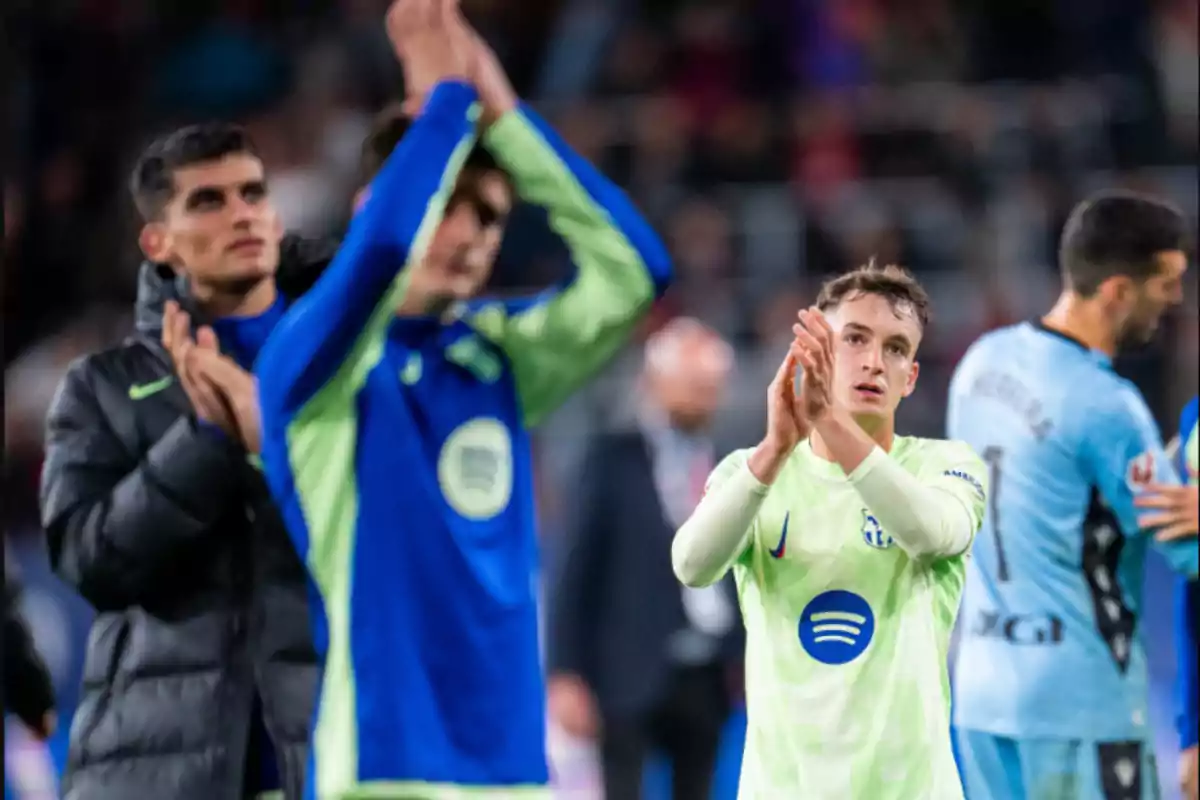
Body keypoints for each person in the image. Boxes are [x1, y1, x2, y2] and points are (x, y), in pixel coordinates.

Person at [251, 0, 671, 797]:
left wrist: (505, 115)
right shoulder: (309, 368)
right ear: (384, 200)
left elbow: (633, 272)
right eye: (454, 206)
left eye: (492, 217)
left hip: (512, 765)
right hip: (382, 764)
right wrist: (443, 105)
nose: (477, 235)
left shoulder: (498, 357)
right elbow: (375, 259)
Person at [38, 120, 332, 799]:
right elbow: (89, 560)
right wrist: (205, 440)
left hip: (329, 759)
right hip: (154, 771)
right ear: (158, 242)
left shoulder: (341, 363)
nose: (242, 215)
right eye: (209, 201)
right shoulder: (102, 386)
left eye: (253, 194)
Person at [672, 262, 987, 798]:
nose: (873, 362)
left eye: (896, 348)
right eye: (855, 339)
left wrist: (828, 422)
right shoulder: (750, 472)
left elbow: (934, 534)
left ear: (910, 377)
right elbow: (692, 565)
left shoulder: (945, 466)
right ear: (814, 356)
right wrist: (775, 449)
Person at [947, 190, 1197, 800]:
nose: (1177, 298)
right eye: (1166, 281)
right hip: (1081, 708)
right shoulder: (1109, 407)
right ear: (1116, 290)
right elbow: (1187, 549)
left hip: (980, 693)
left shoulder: (980, 365)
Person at [547, 317, 741, 800]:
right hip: (626, 670)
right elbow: (573, 570)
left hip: (708, 674)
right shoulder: (611, 460)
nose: (701, 395)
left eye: (709, 385)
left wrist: (743, 652)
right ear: (653, 382)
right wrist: (564, 672)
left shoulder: (732, 464)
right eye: (691, 383)